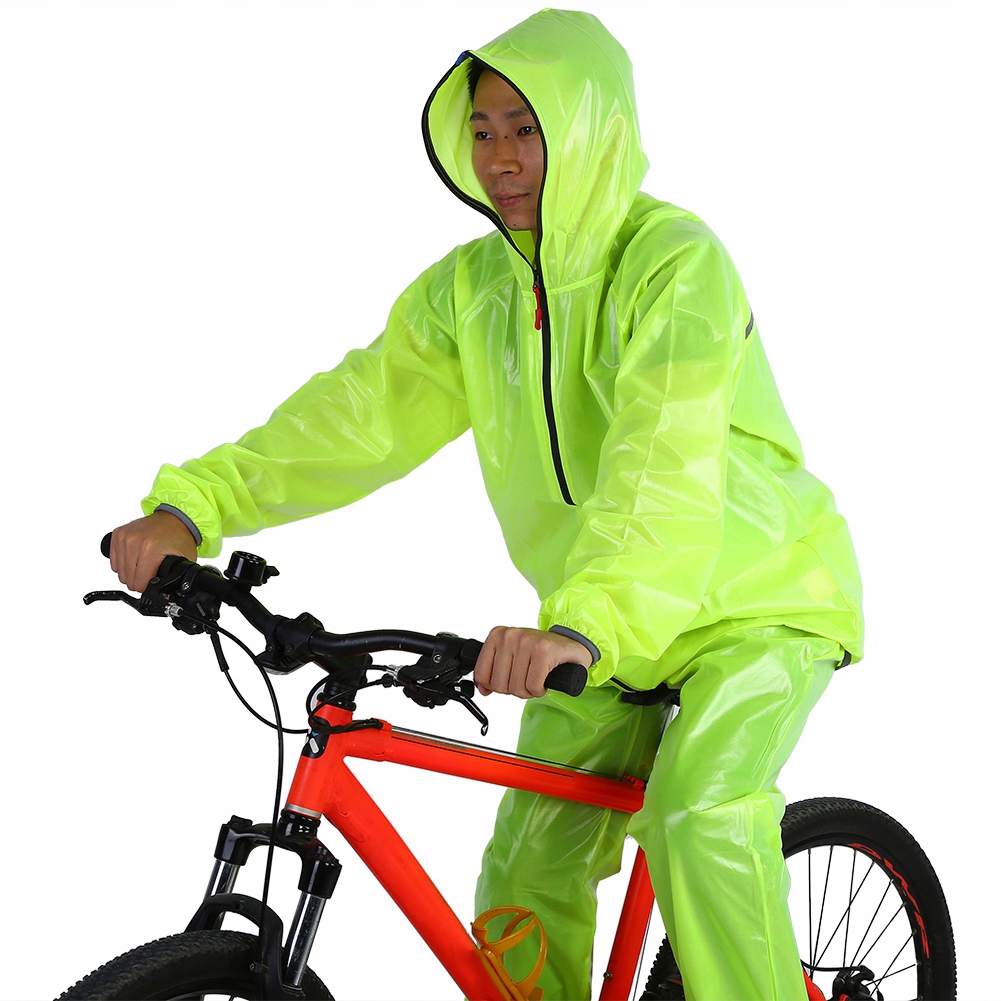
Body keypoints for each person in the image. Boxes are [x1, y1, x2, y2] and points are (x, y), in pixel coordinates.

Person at [109, 10, 863, 1000]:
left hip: (755, 600)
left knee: (696, 816)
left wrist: (584, 622)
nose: (500, 156)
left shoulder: (674, 263)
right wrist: (194, 508)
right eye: (481, 130)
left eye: (526, 127)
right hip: (602, 627)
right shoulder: (470, 293)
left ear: (586, 130)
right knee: (524, 871)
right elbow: (356, 415)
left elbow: (661, 459)